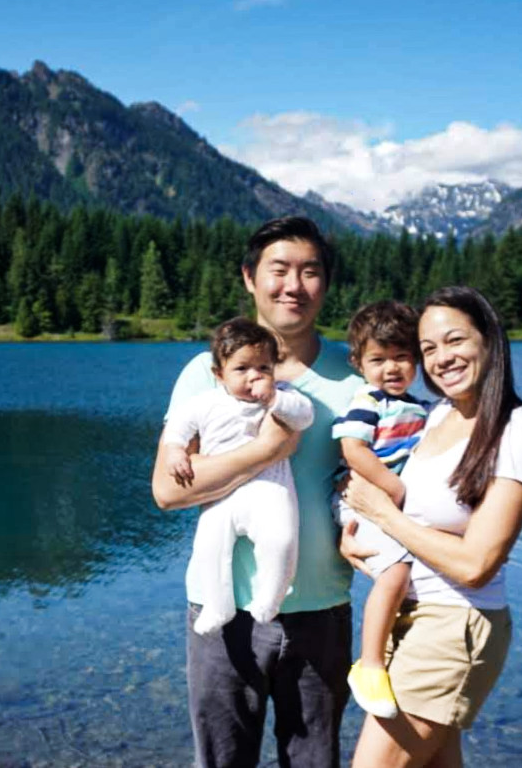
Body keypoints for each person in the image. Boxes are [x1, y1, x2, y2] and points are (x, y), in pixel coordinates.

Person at [152, 216, 361, 768]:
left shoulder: (356, 371)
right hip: (224, 614)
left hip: (323, 610)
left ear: (326, 283)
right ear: (249, 278)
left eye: (310, 271)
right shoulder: (209, 371)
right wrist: (264, 453)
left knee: (315, 760)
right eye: (279, 270)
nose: (294, 286)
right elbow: (167, 493)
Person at [340, 285, 522, 768]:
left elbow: (476, 564)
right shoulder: (436, 415)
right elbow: (400, 500)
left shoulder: (515, 432)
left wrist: (384, 516)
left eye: (455, 341)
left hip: (455, 622)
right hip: (411, 617)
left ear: (489, 340)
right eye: (429, 348)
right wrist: (356, 536)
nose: (441, 359)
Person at [162, 317, 315, 635]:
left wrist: (276, 399)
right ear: (219, 374)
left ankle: (270, 598)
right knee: (209, 547)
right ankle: (218, 606)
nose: (254, 377)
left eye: (263, 368)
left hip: (269, 486)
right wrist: (177, 452)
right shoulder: (205, 403)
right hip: (221, 494)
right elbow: (177, 430)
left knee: (281, 538)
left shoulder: (281, 397)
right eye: (242, 369)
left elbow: (304, 417)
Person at [330, 301, 429, 719]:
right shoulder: (368, 400)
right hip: (357, 499)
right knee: (394, 572)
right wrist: (393, 487)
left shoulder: (419, 406)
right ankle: (369, 665)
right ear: (358, 363)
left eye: (402, 357)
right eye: (378, 359)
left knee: (406, 574)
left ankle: (397, 644)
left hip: (384, 503)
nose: (391, 368)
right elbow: (352, 449)